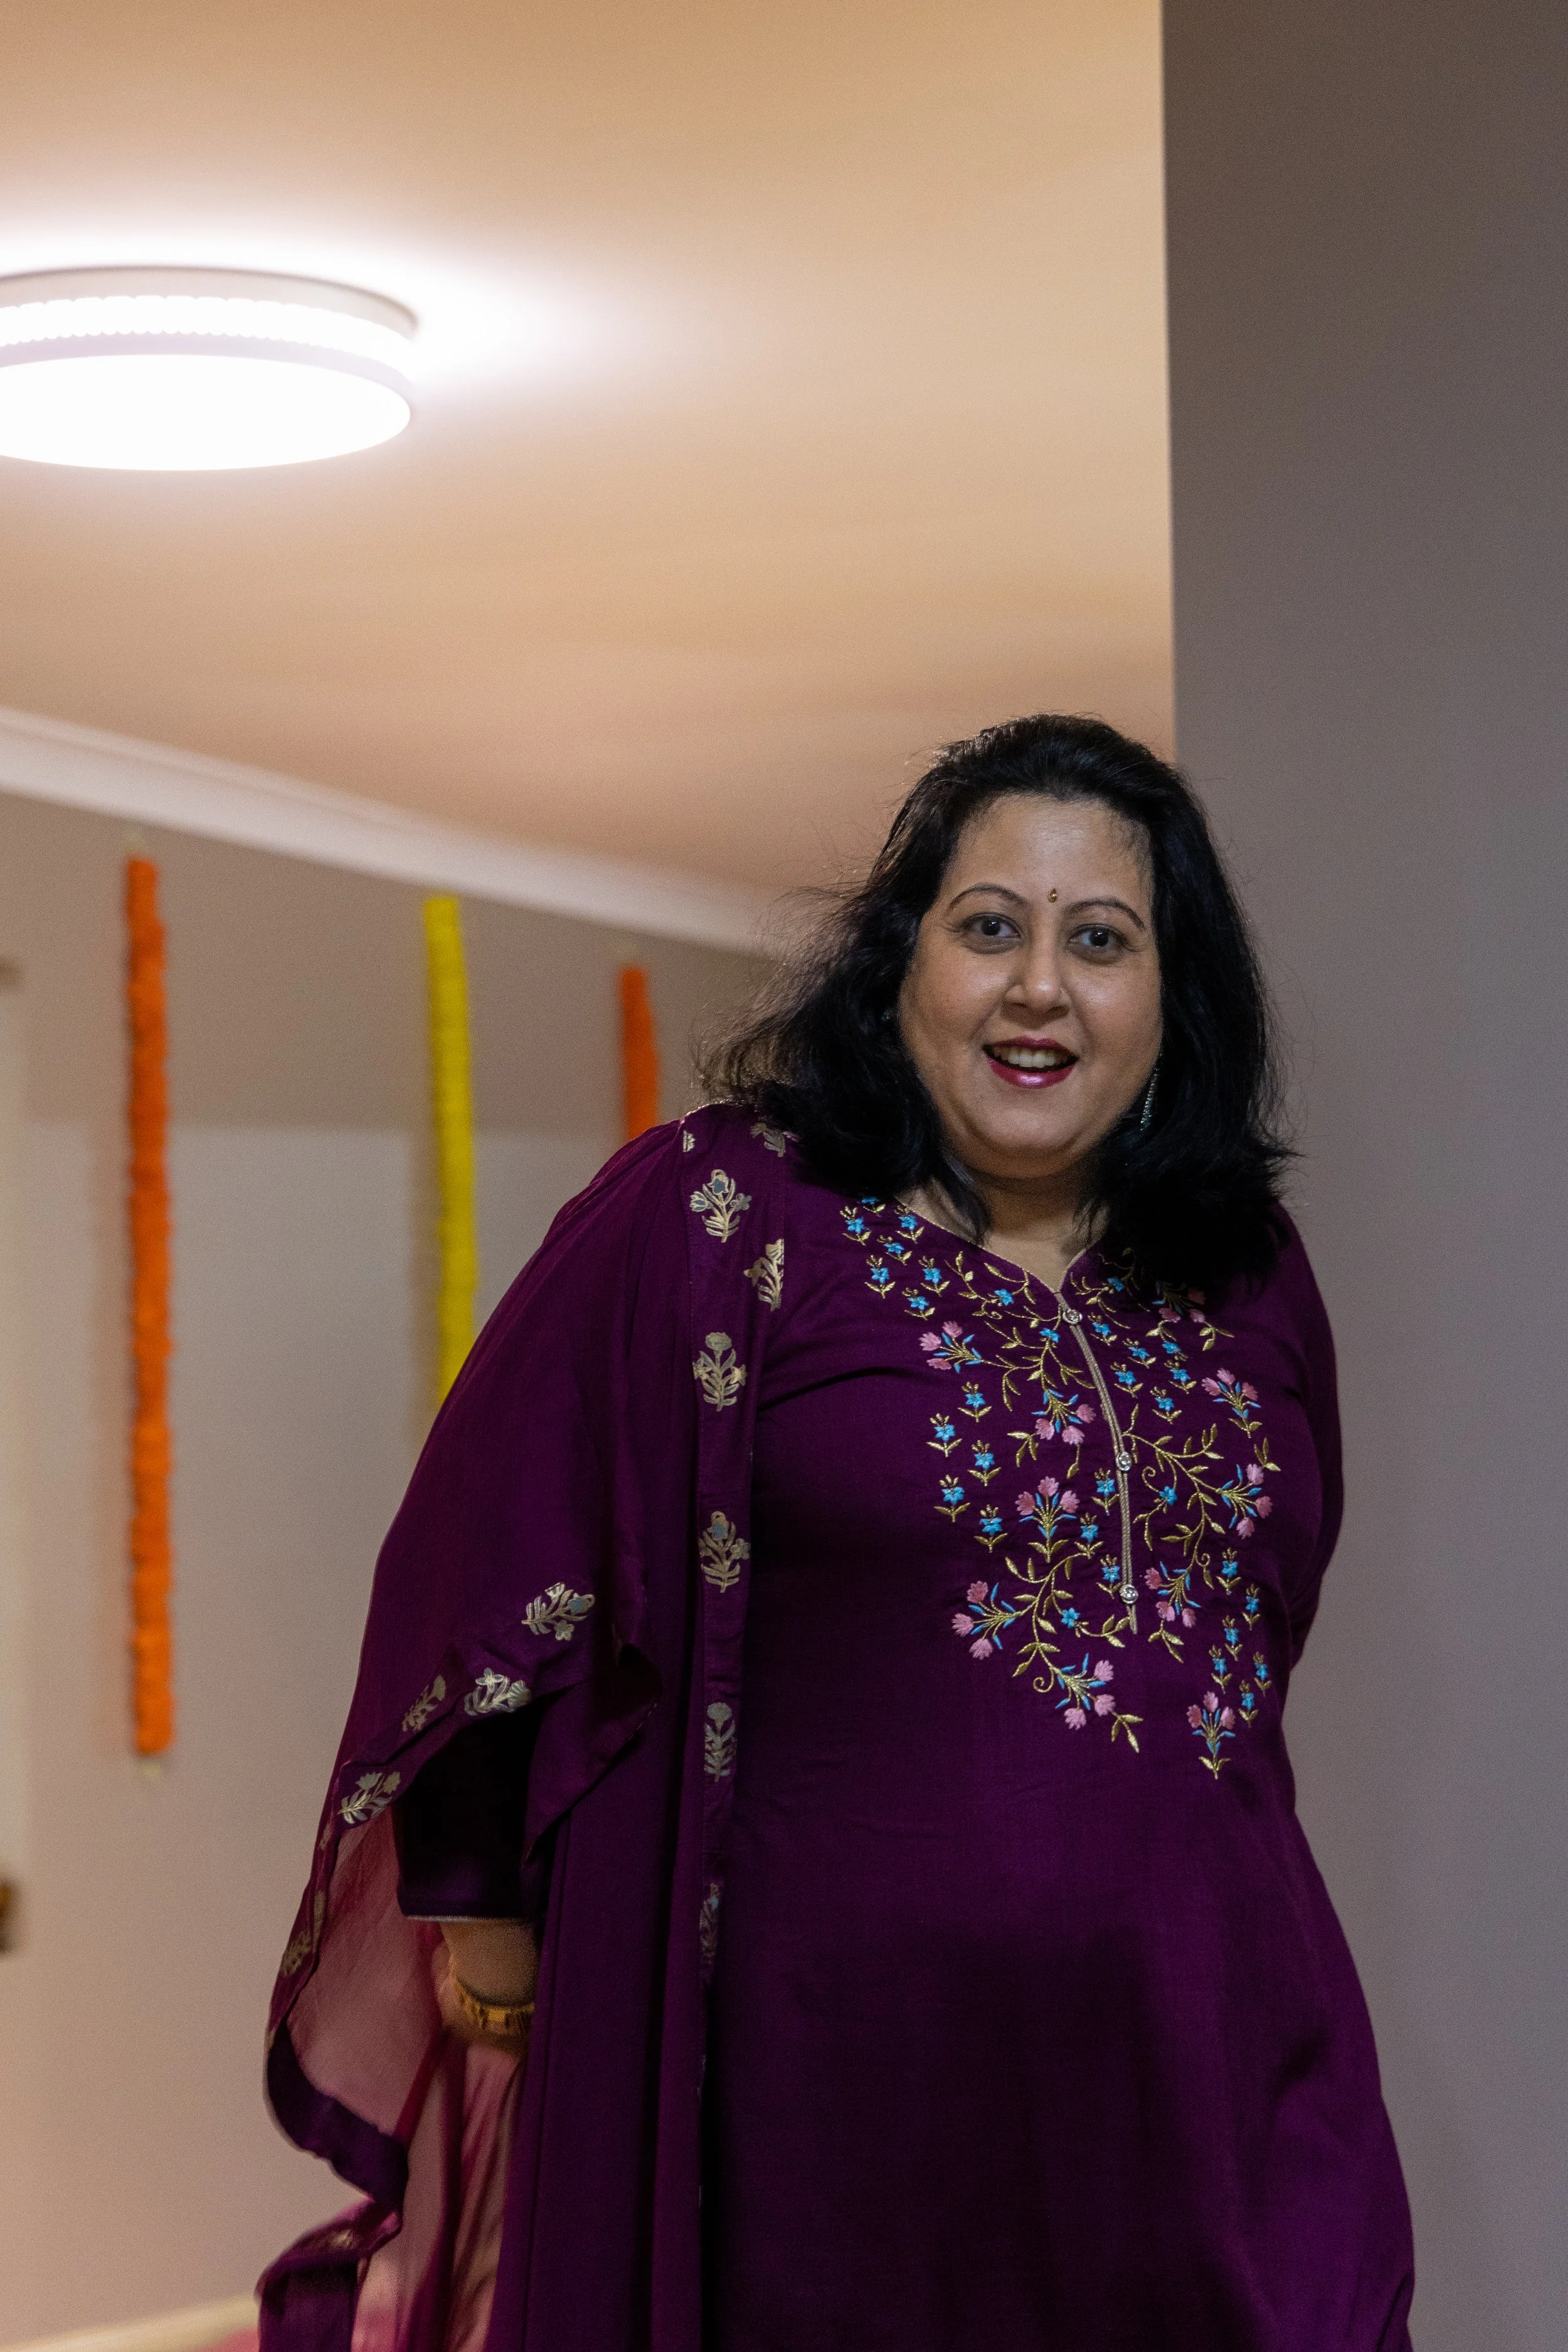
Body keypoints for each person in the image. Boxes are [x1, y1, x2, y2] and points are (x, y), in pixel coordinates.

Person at [259, 714, 1414, 2352]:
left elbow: (1261, 1632)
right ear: (900, 965)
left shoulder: (1246, 1278)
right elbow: (491, 1552)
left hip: (1209, 2075)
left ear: (1173, 1002)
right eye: (986, 926)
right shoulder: (722, 1218)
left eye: (1101, 939)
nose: (1038, 986)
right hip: (831, 2114)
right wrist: (489, 1899)